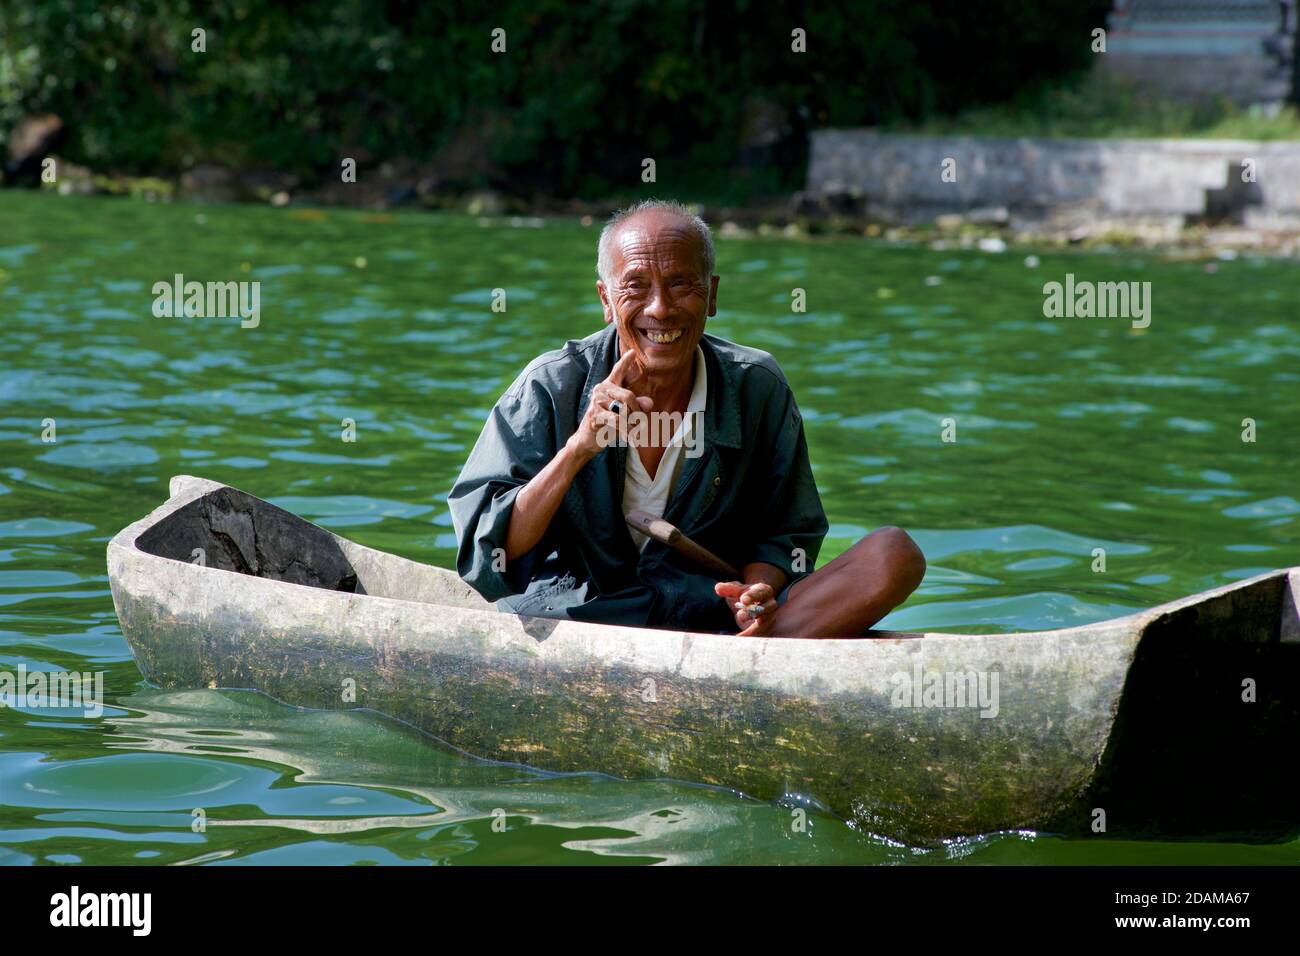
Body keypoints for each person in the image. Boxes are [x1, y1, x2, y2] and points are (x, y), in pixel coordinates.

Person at [449, 199, 925, 637]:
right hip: (583, 620)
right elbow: (488, 554)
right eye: (636, 286)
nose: (660, 308)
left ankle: (753, 656)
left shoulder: (758, 387)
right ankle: (757, 665)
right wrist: (578, 450)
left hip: (708, 621)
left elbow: (784, 534)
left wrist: (757, 593)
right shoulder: (550, 387)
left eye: (681, 283)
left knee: (892, 556)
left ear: (712, 295)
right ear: (606, 301)